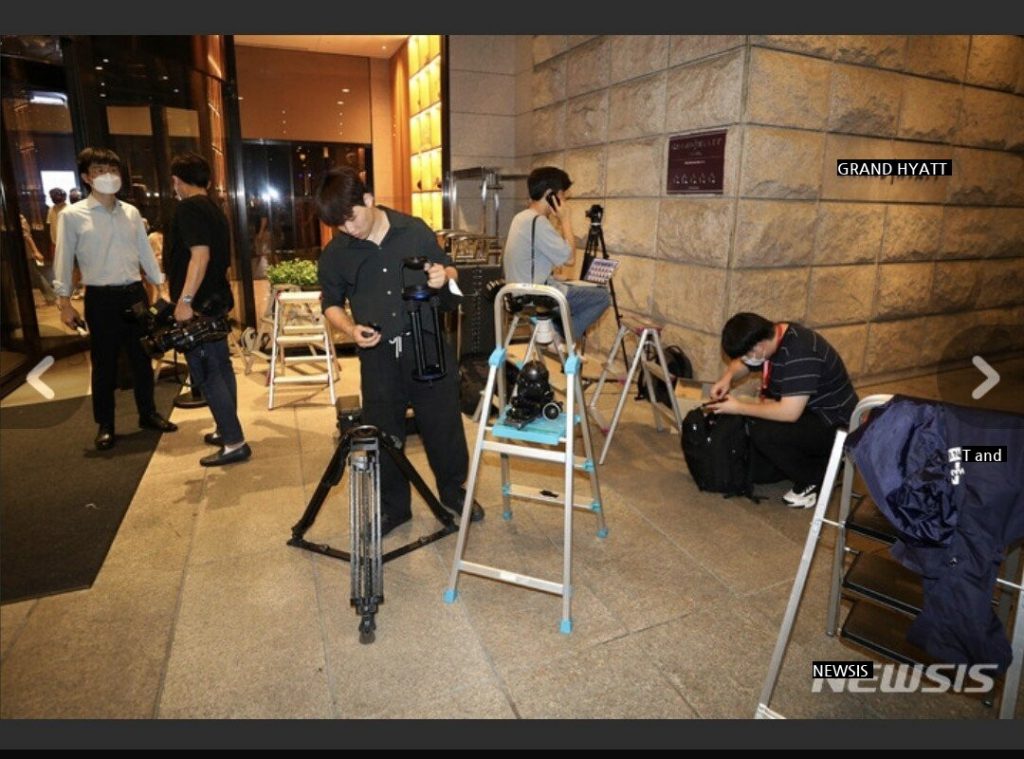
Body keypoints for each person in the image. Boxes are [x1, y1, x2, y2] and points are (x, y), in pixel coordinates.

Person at [315, 166, 483, 536]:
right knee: (384, 433)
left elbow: (451, 273)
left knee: (443, 426)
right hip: (377, 354)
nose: (348, 228)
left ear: (369, 200)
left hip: (427, 344)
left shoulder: (414, 230)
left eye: (351, 217)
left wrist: (444, 276)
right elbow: (331, 303)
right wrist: (349, 328)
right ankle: (395, 508)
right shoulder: (336, 254)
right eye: (338, 225)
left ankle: (454, 495)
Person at [53, 147, 178, 451]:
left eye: (112, 169)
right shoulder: (72, 216)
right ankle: (105, 424)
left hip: (134, 293)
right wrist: (64, 302)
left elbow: (145, 252)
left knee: (142, 357)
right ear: (86, 177)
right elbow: (64, 258)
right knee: (104, 363)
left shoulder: (131, 212)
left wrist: (160, 287)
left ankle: (147, 414)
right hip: (101, 297)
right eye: (99, 170)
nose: (108, 176)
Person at [705, 312, 859, 509]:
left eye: (747, 355)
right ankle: (810, 461)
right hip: (808, 411)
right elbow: (742, 365)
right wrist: (727, 378)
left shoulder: (800, 352)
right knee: (757, 435)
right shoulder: (772, 336)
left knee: (764, 431)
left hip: (834, 423)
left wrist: (738, 408)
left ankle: (815, 477)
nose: (745, 361)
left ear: (759, 347)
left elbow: (789, 412)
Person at [165, 152, 250, 467]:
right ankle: (225, 429)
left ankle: (234, 441)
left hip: (199, 305)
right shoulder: (215, 209)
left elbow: (199, 256)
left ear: (177, 181)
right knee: (222, 367)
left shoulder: (188, 209)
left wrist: (184, 301)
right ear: (208, 180)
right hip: (216, 298)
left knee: (208, 372)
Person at [502, 166, 611, 348]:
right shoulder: (538, 221)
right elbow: (569, 259)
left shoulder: (521, 218)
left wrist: (551, 276)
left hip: (518, 291)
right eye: (563, 196)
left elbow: (531, 260)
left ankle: (555, 326)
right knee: (602, 297)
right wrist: (565, 219)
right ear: (550, 195)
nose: (564, 201)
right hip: (535, 295)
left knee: (571, 287)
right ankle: (559, 335)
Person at [20, 212, 57, 306]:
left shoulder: (19, 218)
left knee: (34, 274)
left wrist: (35, 251)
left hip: (24, 251)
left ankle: (51, 296)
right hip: (21, 251)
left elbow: (26, 236)